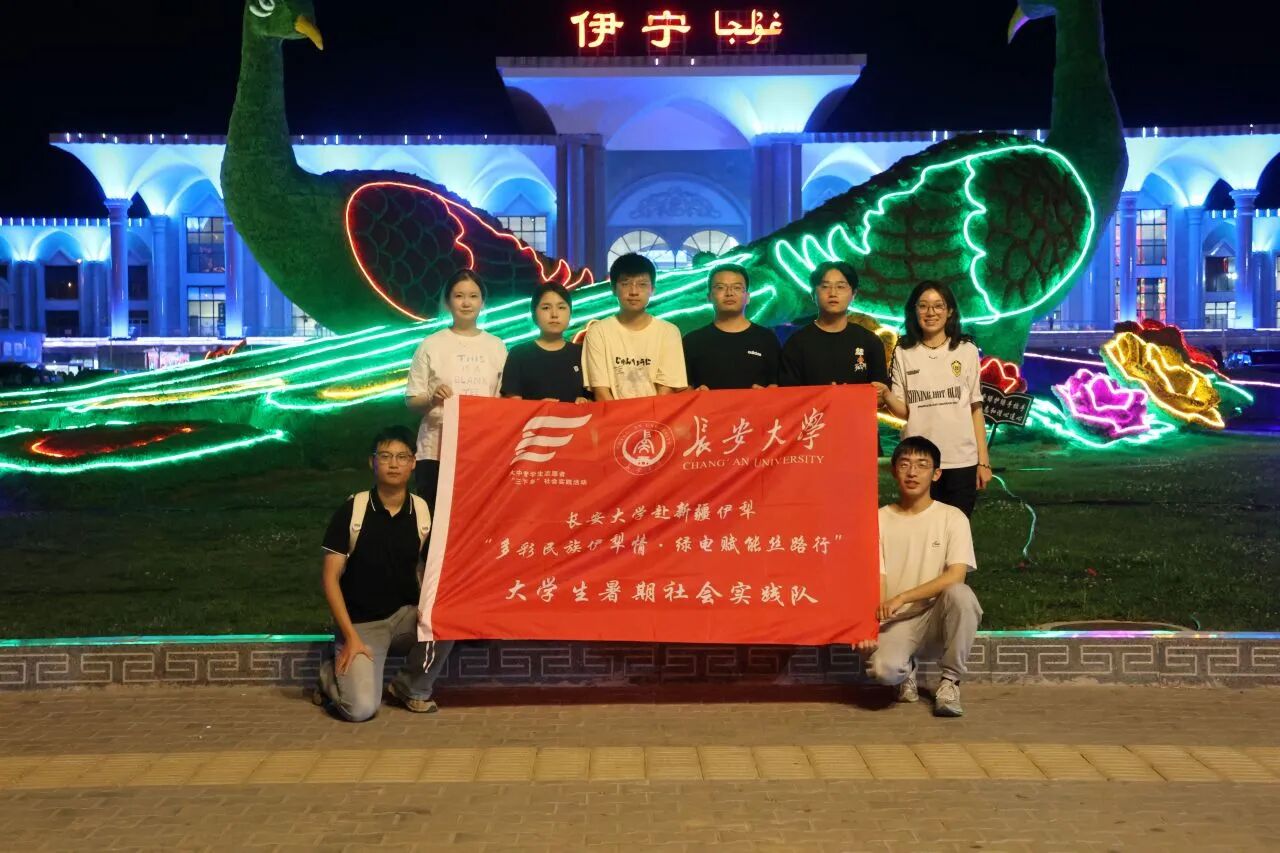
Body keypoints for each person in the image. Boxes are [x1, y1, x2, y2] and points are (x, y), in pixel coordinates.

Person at [315, 425, 454, 721]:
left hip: (404, 618)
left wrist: (431, 611)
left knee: (449, 615)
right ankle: (328, 674)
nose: (394, 464)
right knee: (360, 710)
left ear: (413, 463)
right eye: (386, 456)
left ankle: (410, 687)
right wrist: (350, 636)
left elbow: (432, 570)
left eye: (402, 457)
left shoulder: (423, 512)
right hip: (362, 625)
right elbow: (329, 578)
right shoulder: (353, 510)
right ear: (372, 462)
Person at [857, 436, 982, 717]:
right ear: (894, 471)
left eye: (922, 465)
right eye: (905, 464)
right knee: (883, 671)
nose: (912, 472)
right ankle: (904, 671)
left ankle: (950, 682)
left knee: (961, 595)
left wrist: (904, 597)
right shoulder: (878, 520)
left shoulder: (953, 518)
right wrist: (868, 627)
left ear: (936, 474)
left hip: (937, 616)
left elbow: (956, 576)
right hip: (897, 619)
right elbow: (878, 577)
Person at [878, 281, 991, 517]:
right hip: (919, 462)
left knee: (957, 530)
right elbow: (905, 412)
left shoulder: (966, 350)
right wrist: (886, 395)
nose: (931, 312)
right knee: (921, 529)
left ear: (950, 311)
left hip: (961, 460)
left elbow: (975, 408)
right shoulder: (903, 352)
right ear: (914, 310)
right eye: (923, 306)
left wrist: (983, 461)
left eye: (938, 306)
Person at [405, 270, 507, 514]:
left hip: (482, 451)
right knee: (434, 518)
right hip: (436, 451)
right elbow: (411, 399)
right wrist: (432, 399)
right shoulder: (431, 344)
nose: (466, 303)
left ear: (482, 301)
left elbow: (504, 401)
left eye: (473, 296)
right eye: (459, 296)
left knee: (477, 518)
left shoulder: (496, 346)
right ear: (448, 301)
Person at [582, 252, 687, 399]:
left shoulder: (669, 332)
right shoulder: (598, 332)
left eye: (642, 284)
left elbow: (665, 391)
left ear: (653, 289)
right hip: (612, 413)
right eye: (625, 284)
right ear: (613, 288)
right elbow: (601, 393)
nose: (634, 292)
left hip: (656, 413)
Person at [778, 260, 889, 389]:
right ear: (813, 294)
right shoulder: (796, 343)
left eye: (840, 287)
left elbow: (880, 392)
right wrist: (827, 395)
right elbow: (789, 395)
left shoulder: (870, 341)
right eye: (825, 286)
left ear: (853, 294)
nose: (833, 293)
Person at [681, 264, 780, 390]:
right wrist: (695, 393)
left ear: (747, 297)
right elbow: (683, 389)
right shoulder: (692, 341)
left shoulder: (767, 339)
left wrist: (768, 394)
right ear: (709, 297)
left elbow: (778, 386)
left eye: (737, 287)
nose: (729, 293)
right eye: (720, 287)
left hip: (756, 404)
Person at [501, 284, 590, 403]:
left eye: (561, 307)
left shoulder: (582, 354)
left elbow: (595, 400)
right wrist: (540, 408)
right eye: (546, 308)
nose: (554, 314)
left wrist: (585, 402)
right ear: (534, 314)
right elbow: (513, 405)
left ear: (570, 313)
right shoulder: (518, 354)